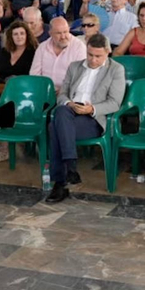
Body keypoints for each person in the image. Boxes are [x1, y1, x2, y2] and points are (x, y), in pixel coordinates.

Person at [43, 34, 126, 203]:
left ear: (108, 52)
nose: (93, 60)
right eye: (90, 55)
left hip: (93, 117)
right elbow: (62, 94)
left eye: (98, 56)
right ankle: (70, 168)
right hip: (71, 110)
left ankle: (61, 182)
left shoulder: (116, 70)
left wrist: (92, 109)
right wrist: (69, 103)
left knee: (54, 127)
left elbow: (115, 103)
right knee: (61, 112)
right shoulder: (75, 67)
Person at [30, 17, 86, 93]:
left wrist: (63, 90)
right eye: (58, 33)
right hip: (43, 91)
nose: (63, 36)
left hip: (69, 93)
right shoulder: (42, 47)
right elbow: (34, 74)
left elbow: (81, 76)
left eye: (65, 32)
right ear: (50, 33)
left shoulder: (79, 47)